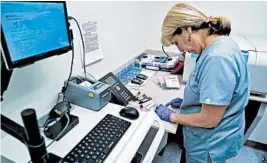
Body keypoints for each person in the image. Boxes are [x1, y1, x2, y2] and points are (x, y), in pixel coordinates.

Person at [155, 3, 251, 163]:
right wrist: (190, 103)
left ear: (187, 30)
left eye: (176, 43)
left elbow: (209, 120)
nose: (180, 50)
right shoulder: (220, 44)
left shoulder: (217, 58)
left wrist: (172, 116)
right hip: (217, 136)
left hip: (209, 144)